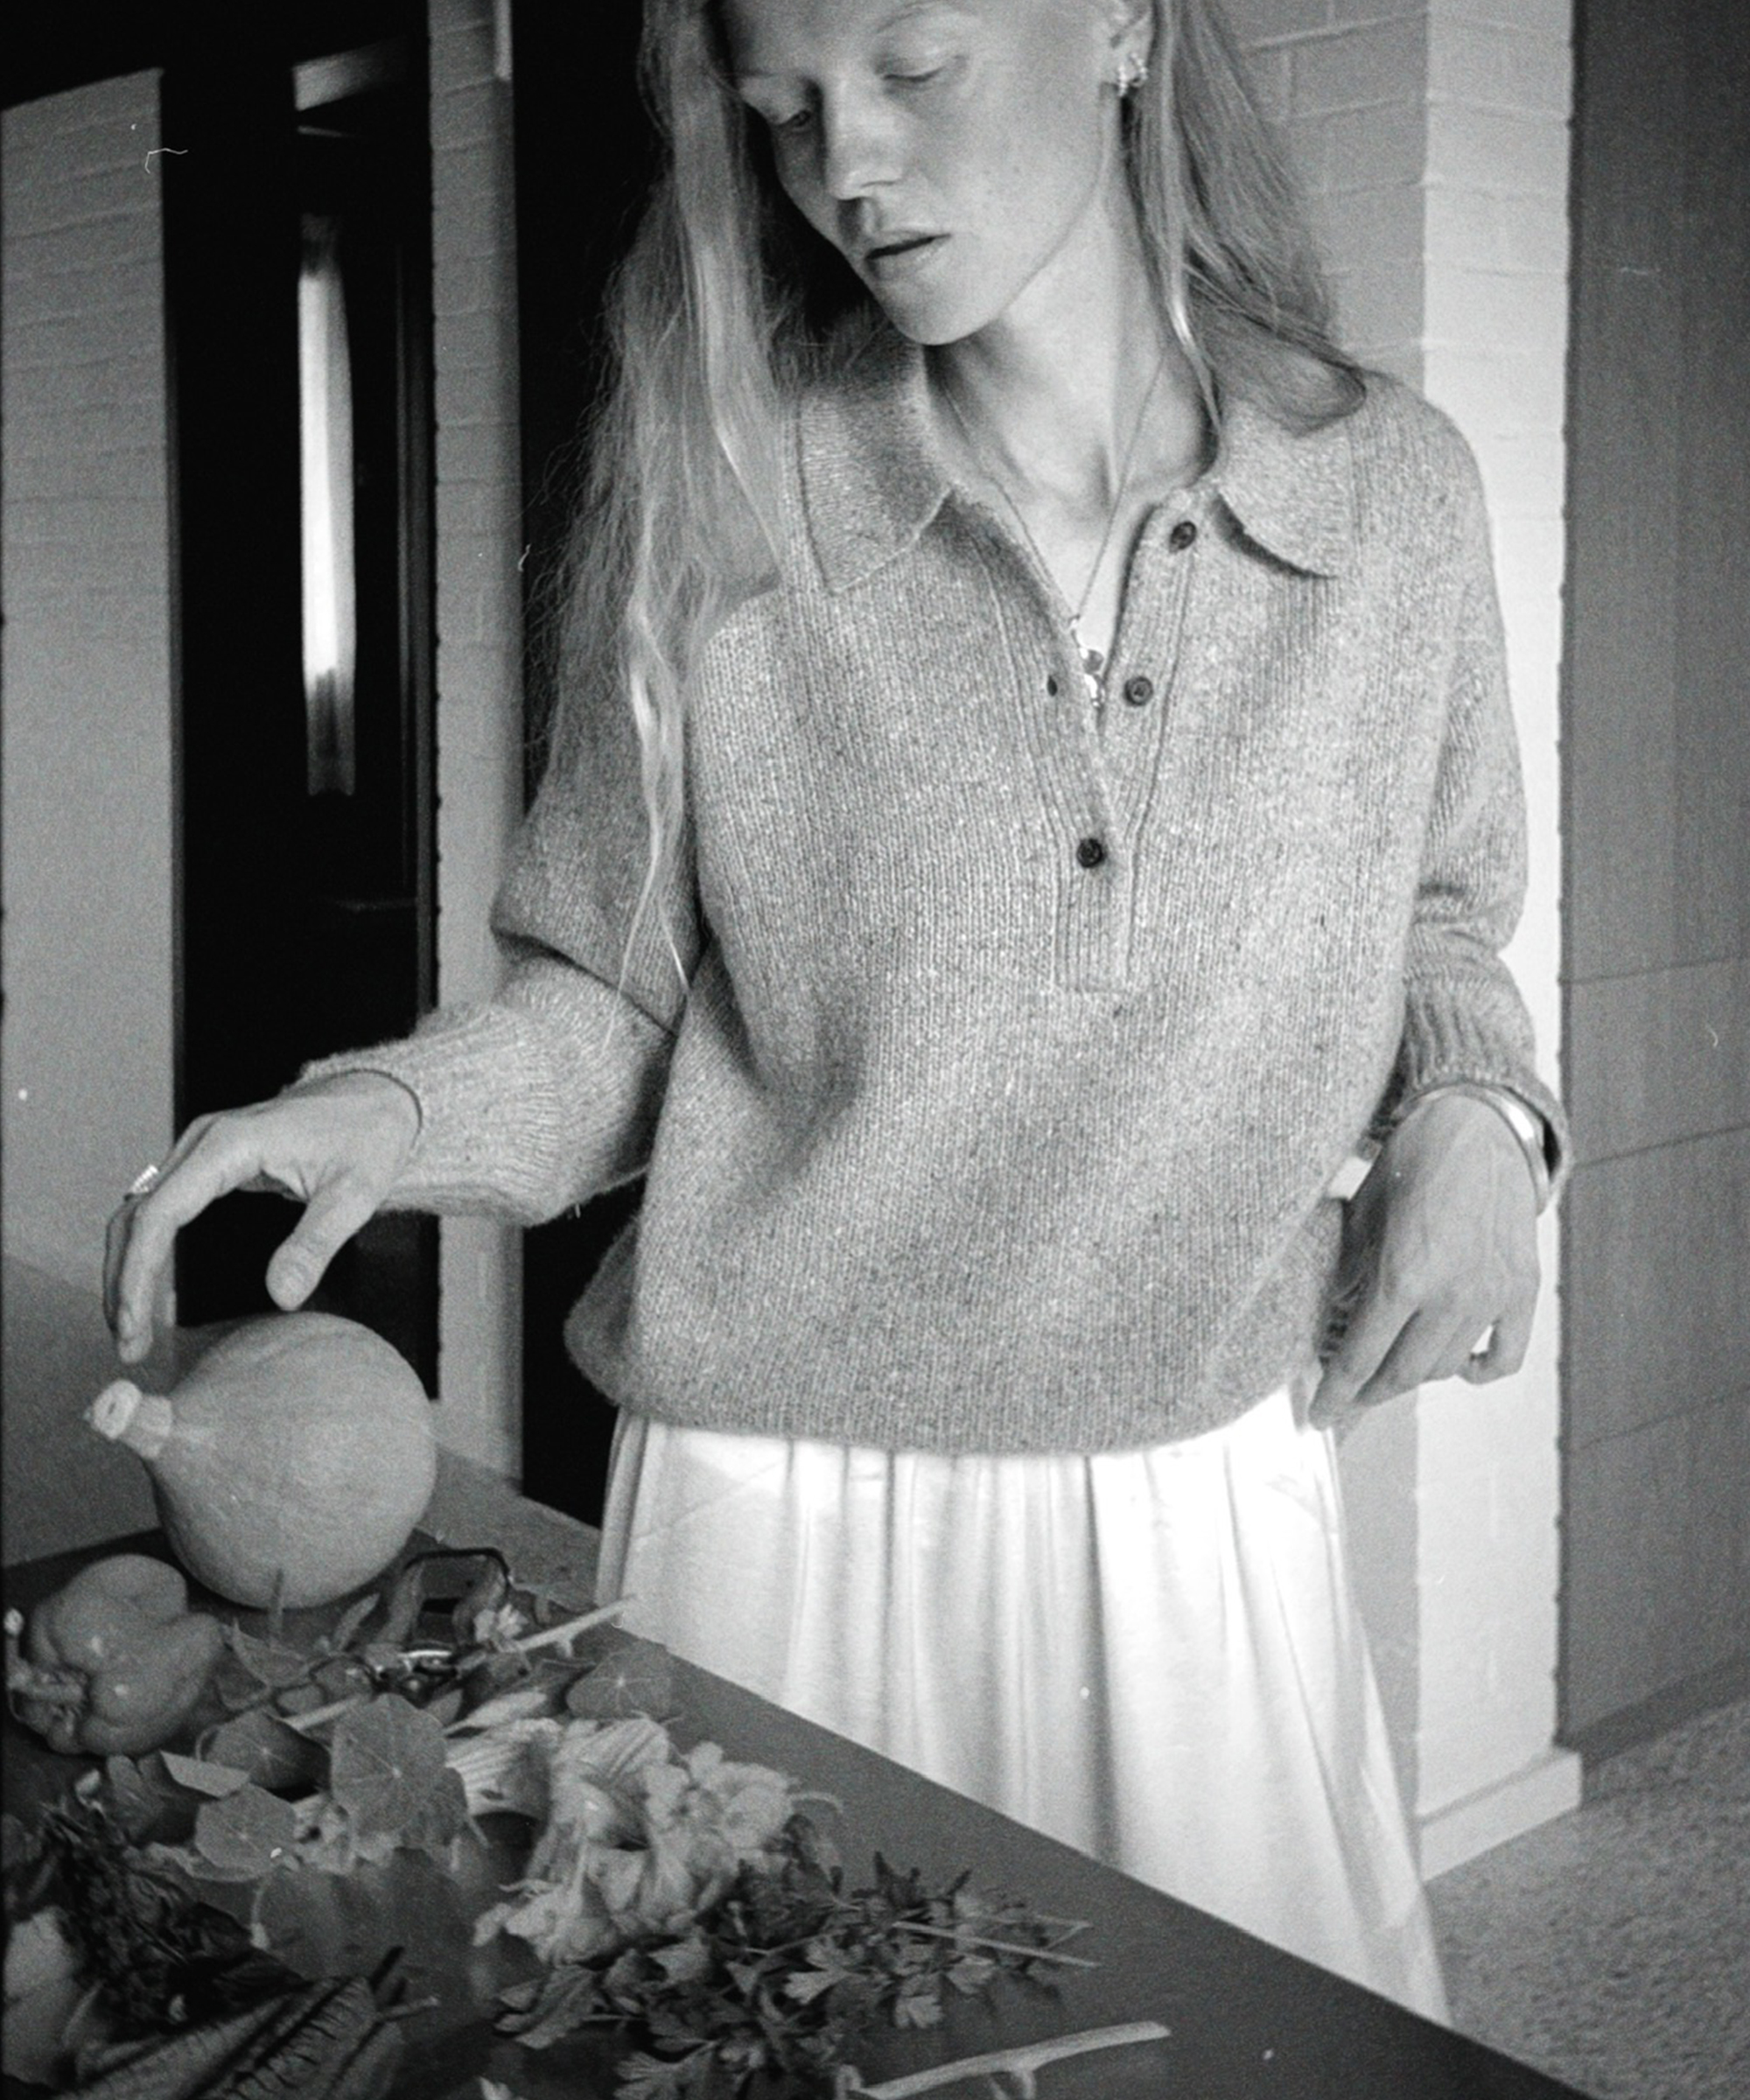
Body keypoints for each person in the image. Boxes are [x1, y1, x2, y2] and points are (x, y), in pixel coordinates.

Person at [107, 0, 1566, 2022]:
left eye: (912, 67)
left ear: (1119, 24)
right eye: (784, 110)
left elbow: (1443, 906)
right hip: (776, 1501)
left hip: (1191, 1482)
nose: (846, 169)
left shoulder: (1391, 495)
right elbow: (611, 995)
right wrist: (393, 1111)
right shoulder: (729, 497)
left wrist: (1484, 1119)